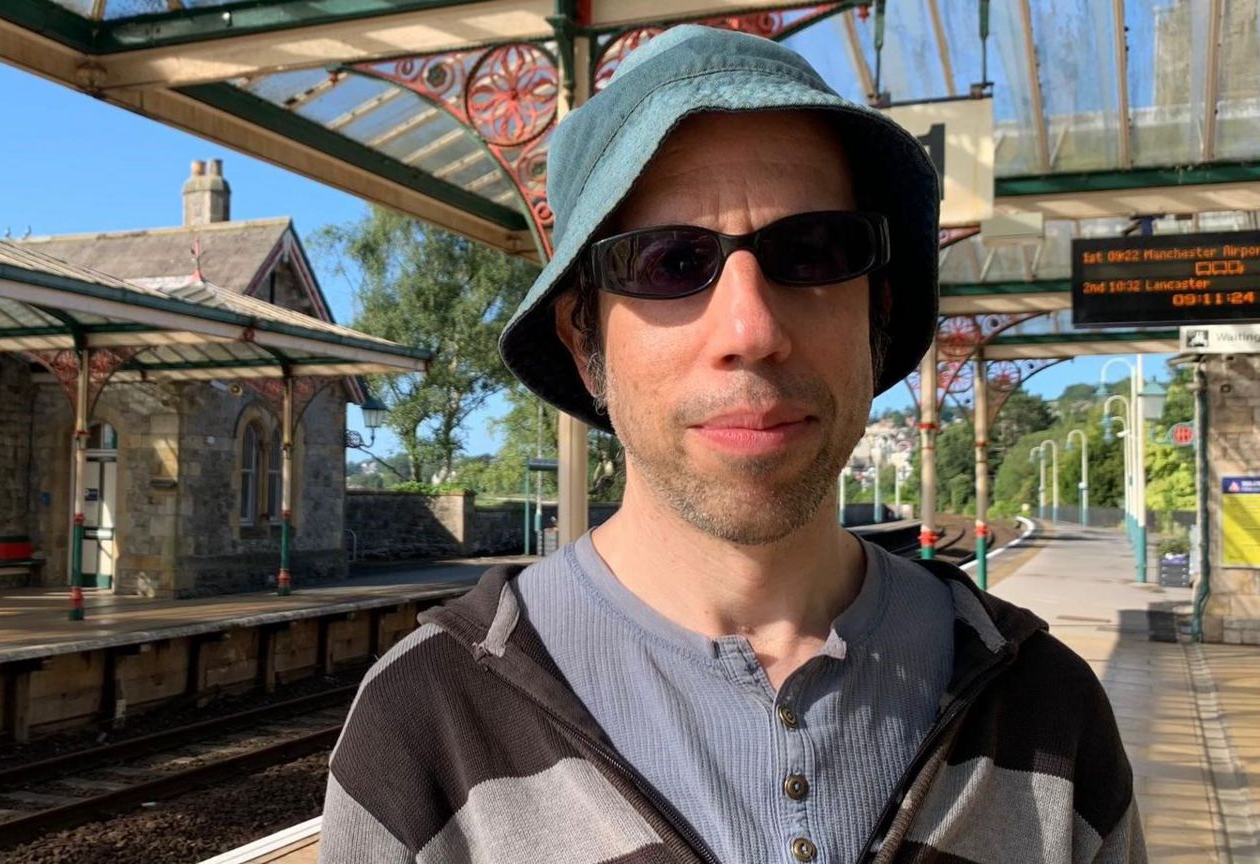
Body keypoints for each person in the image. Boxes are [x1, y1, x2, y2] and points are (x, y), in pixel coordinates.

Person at [320, 26, 1143, 864]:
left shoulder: (1049, 710)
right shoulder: (425, 723)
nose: (751, 330)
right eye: (670, 262)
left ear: (876, 314)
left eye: (813, 252)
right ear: (583, 338)